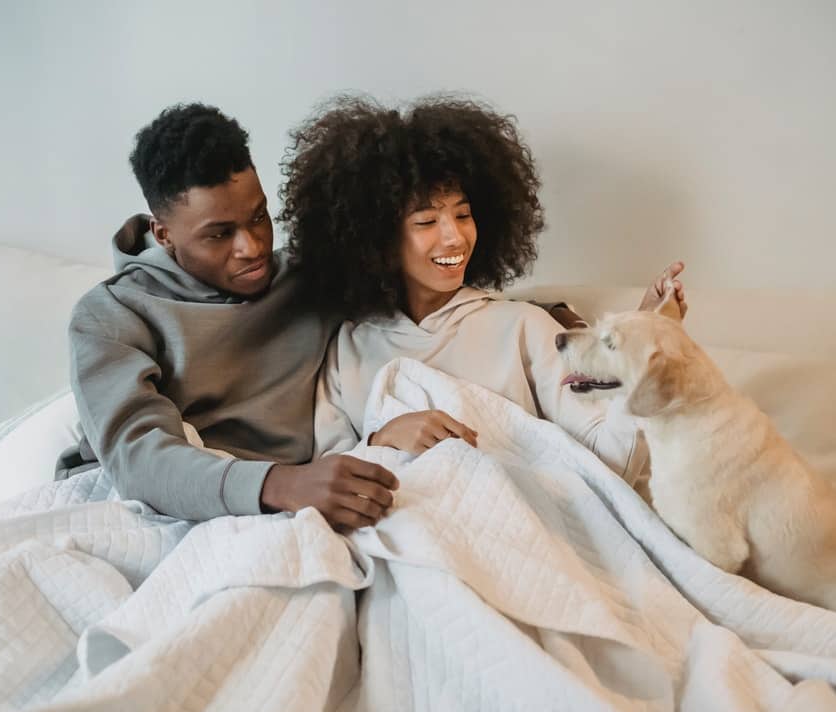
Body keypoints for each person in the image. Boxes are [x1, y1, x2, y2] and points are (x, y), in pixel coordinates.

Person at [278, 95, 686, 483]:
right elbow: (328, 482)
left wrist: (644, 339)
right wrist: (384, 437)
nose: (454, 238)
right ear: (378, 239)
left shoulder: (524, 327)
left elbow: (611, 461)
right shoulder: (348, 348)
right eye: (426, 222)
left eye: (463, 215)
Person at [60, 103, 399, 530]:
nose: (252, 247)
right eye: (219, 234)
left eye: (258, 217)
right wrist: (282, 484)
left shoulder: (309, 278)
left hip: (303, 493)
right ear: (163, 234)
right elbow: (137, 457)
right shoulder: (111, 314)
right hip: (167, 501)